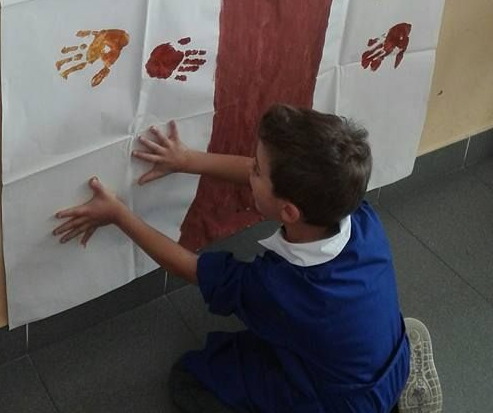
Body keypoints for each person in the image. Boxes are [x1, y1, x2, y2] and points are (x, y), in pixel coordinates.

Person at [53, 105, 442, 413]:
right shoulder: (357, 214)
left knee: (191, 378)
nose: (249, 168)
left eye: (256, 169)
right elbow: (267, 179)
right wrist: (186, 160)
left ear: (289, 211)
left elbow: (189, 267)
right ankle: (393, 379)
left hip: (338, 402)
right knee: (270, 345)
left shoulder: (279, 288)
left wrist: (118, 214)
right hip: (386, 359)